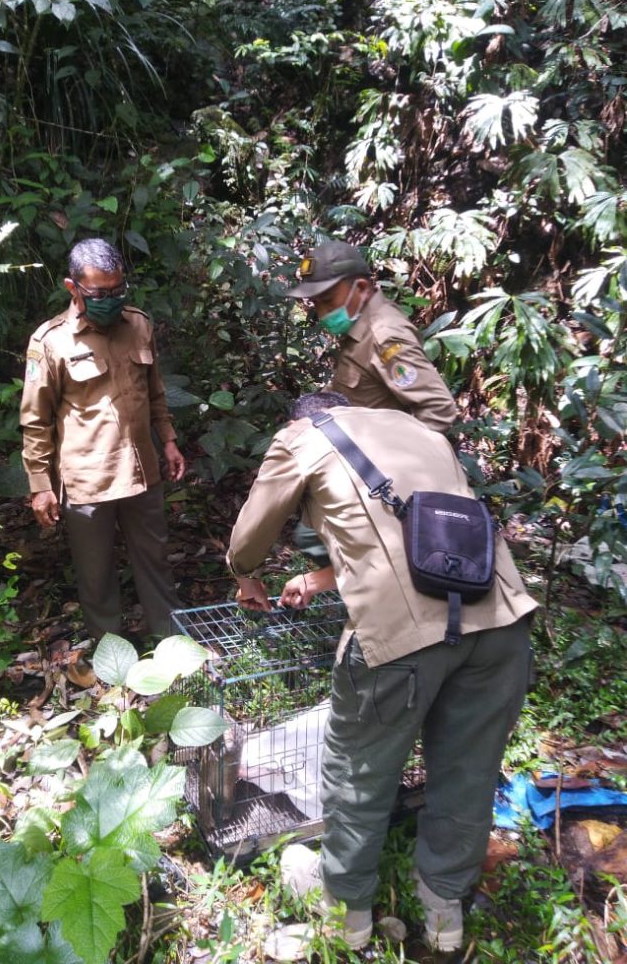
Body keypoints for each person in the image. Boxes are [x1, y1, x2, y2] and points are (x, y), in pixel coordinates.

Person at [226, 392, 537, 953]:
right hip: (502, 622)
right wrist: (324, 576)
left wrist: (243, 573)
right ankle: (444, 915)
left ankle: (345, 916)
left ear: (302, 419)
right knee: (468, 772)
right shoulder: (416, 430)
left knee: (357, 774)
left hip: (402, 640)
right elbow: (417, 531)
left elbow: (251, 535)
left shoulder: (303, 437)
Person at [20, 237, 185, 641]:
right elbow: (36, 420)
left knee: (156, 562)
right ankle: (111, 653)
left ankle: (172, 643)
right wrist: (40, 486)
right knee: (95, 576)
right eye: (99, 293)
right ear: (72, 287)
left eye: (117, 290)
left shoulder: (139, 324)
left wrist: (167, 439)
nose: (110, 300)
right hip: (87, 480)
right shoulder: (50, 341)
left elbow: (155, 391)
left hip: (142, 471)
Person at [285, 239, 458, 434]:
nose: (322, 312)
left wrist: (390, 450)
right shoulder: (359, 326)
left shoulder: (385, 336)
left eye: (328, 300)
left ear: (360, 288)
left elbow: (439, 409)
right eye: (316, 303)